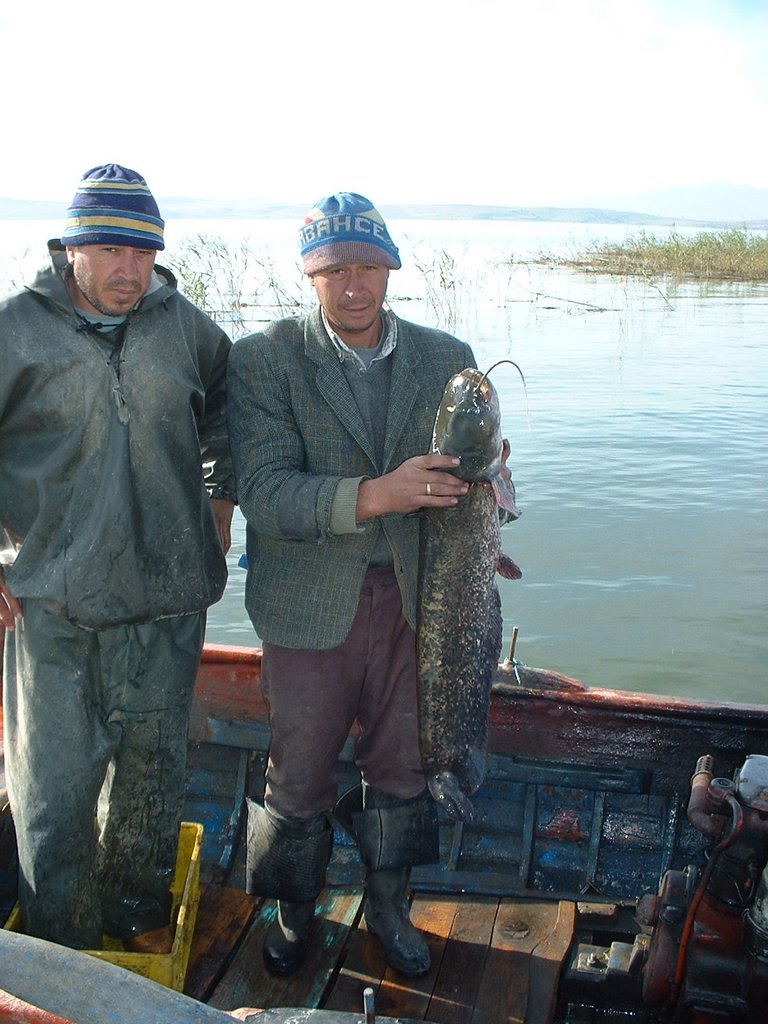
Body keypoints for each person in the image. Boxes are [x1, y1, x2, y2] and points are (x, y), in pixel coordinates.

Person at [227, 193, 502, 979]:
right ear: (310, 274)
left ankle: (390, 905)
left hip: (423, 602)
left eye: (370, 268)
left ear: (390, 269)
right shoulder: (265, 359)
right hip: (309, 606)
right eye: (336, 270)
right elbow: (268, 493)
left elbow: (470, 467)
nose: (356, 286)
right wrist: (378, 494)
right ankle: (291, 909)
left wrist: (493, 486)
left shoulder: (446, 353)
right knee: (300, 768)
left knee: (406, 764)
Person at [0, 164, 236, 952]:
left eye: (144, 251)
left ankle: (136, 917)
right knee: (54, 792)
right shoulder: (16, 330)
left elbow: (229, 412)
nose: (129, 270)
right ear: (70, 247)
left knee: (151, 777)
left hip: (168, 602)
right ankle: (60, 944)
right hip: (53, 608)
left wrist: (220, 500)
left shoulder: (186, 327)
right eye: (108, 249)